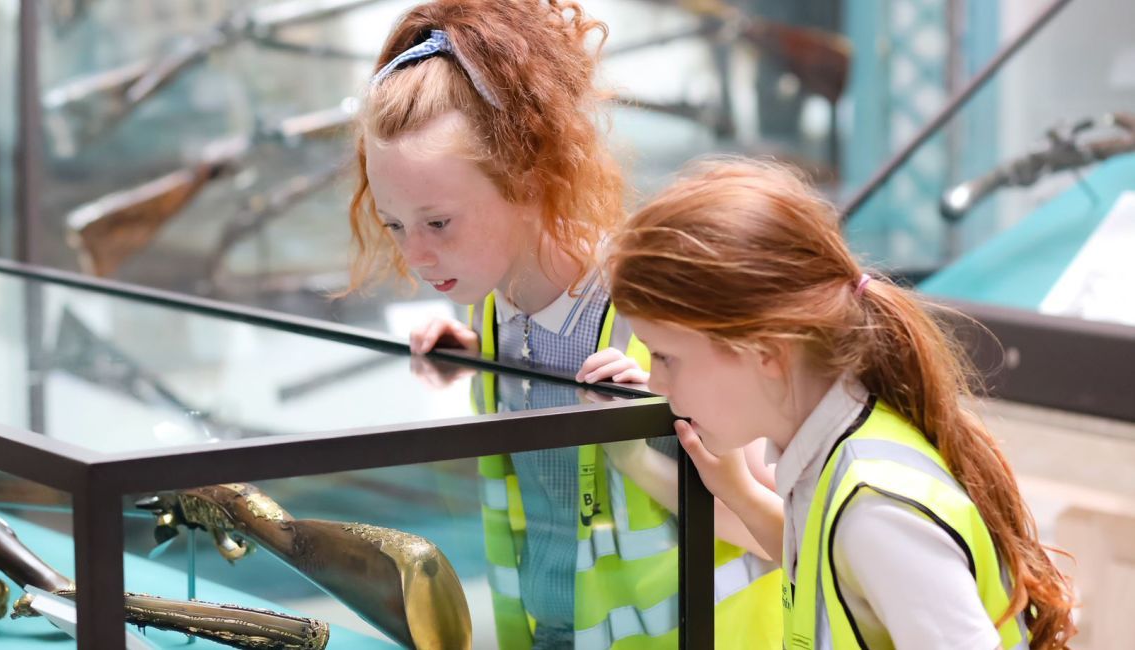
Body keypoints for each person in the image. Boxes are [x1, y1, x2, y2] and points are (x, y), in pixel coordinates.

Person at [346, 2, 782, 648]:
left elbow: (777, 530)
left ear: (528, 177)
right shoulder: (491, 307)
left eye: (438, 223)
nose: (415, 256)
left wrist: (634, 449)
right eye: (395, 225)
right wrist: (476, 365)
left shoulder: (655, 306)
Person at [606, 157, 1078, 650]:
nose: (657, 383)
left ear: (766, 351)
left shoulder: (874, 510)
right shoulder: (837, 453)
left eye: (666, 357)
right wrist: (740, 492)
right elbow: (825, 571)